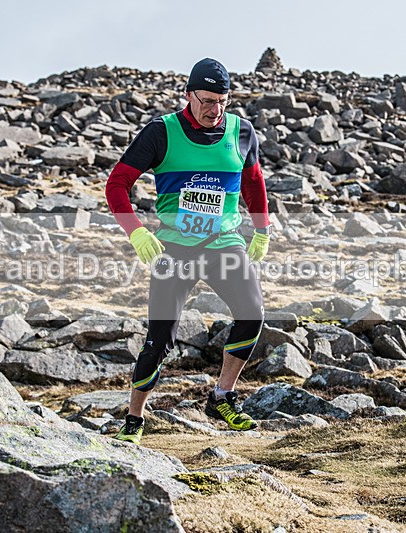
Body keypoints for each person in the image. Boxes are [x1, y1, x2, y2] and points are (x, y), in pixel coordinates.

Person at [105, 58, 273, 445]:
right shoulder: (161, 132)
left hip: (223, 243)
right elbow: (117, 184)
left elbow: (253, 183)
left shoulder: (242, 132)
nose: (215, 110)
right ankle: (134, 419)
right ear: (188, 95)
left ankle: (222, 396)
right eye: (207, 101)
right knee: (159, 340)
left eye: (222, 101)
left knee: (252, 315)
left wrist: (262, 229)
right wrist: (136, 232)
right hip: (175, 248)